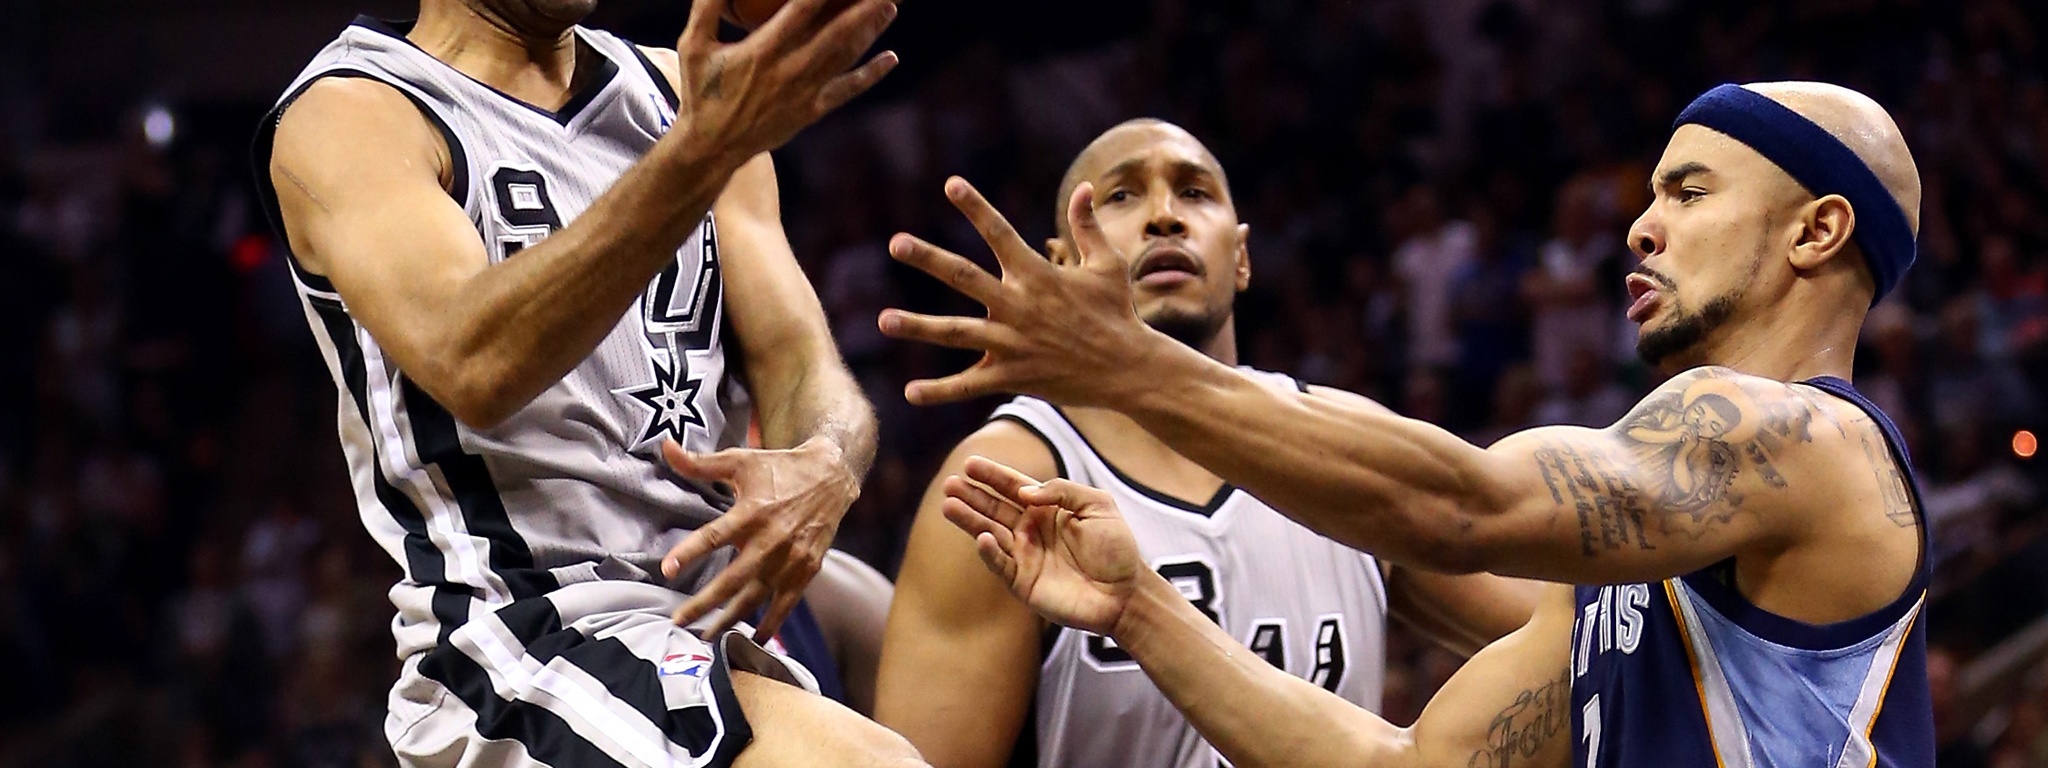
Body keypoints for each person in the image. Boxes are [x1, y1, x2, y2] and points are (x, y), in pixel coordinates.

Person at [882, 81, 1935, 766]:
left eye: (1688, 193)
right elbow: (1409, 764)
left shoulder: (1806, 441)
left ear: (1815, 230)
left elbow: (1463, 506)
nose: (1639, 224)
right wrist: (1138, 609)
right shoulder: (1626, 581)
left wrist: (1128, 364)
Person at [252, 0, 926, 764]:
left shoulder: (685, 92)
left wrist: (824, 463)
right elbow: (473, 362)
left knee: (960, 614)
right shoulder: (351, 114)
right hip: (524, 632)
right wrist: (698, 156)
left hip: (712, 595)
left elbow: (801, 361)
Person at [873, 120, 1536, 768]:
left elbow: (1580, 639)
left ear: (1242, 256)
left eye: (1194, 192)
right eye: (1121, 195)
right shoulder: (1009, 475)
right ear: (1060, 263)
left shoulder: (1343, 445)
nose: (1164, 215)